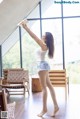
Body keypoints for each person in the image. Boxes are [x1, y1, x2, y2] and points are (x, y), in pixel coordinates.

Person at [19, 20, 59, 117]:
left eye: (44, 35)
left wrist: (25, 27)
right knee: (49, 86)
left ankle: (44, 109)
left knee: (44, 88)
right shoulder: (45, 46)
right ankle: (56, 106)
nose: (42, 35)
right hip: (43, 65)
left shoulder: (43, 45)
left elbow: (33, 37)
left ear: (46, 38)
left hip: (42, 66)